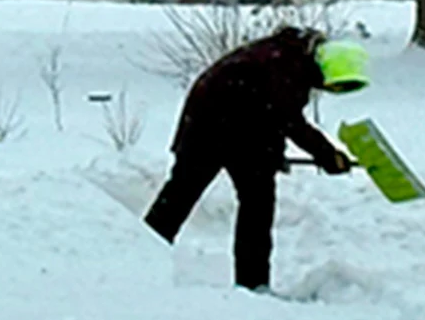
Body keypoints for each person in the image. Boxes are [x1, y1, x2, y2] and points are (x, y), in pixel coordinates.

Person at [144, 26, 370, 290]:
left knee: (195, 201)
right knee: (204, 202)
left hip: (227, 126)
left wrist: (273, 153)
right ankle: (250, 284)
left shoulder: (282, 55)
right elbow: (288, 119)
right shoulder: (285, 63)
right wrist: (327, 155)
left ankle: (250, 284)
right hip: (211, 127)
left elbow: (268, 110)